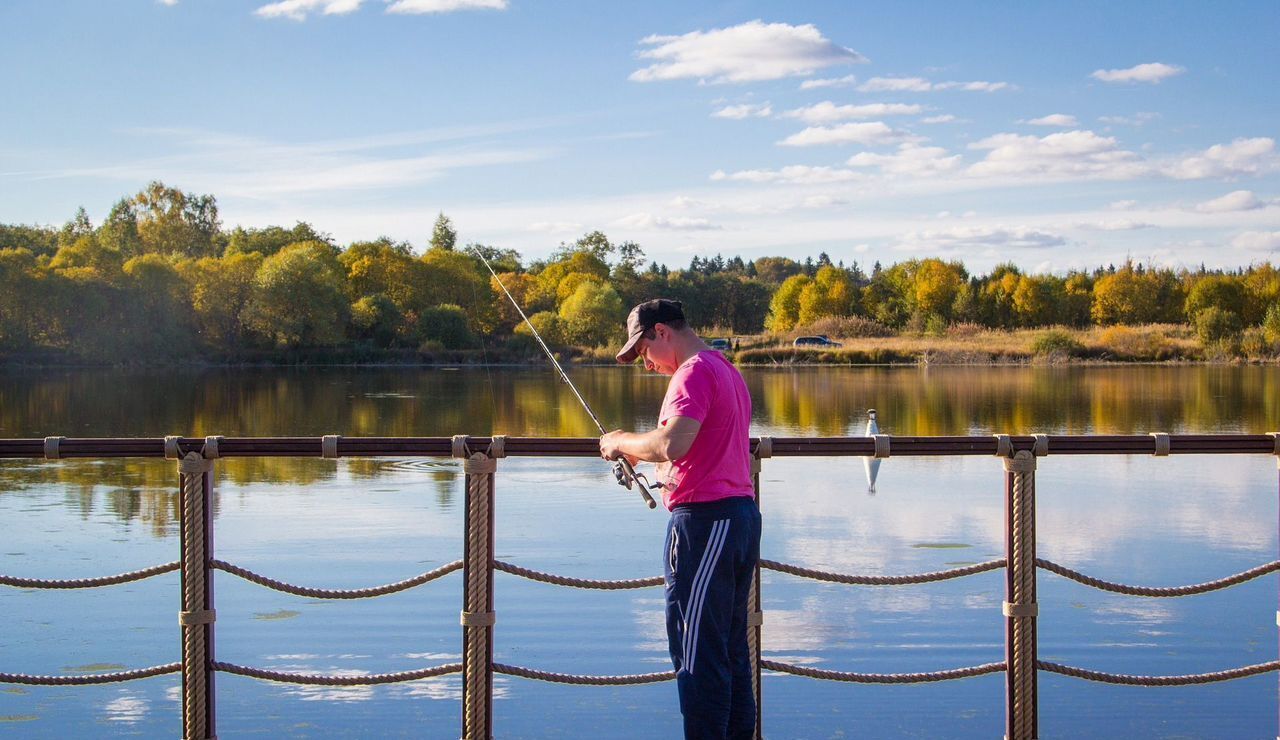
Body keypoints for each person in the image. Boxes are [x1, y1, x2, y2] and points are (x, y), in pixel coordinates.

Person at [599, 299, 760, 740]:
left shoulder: (692, 373)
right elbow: (699, 445)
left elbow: (673, 442)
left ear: (661, 332)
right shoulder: (725, 368)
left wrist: (619, 443)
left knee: (697, 656)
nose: (646, 364)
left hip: (705, 523)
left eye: (643, 351)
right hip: (739, 517)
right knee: (729, 652)